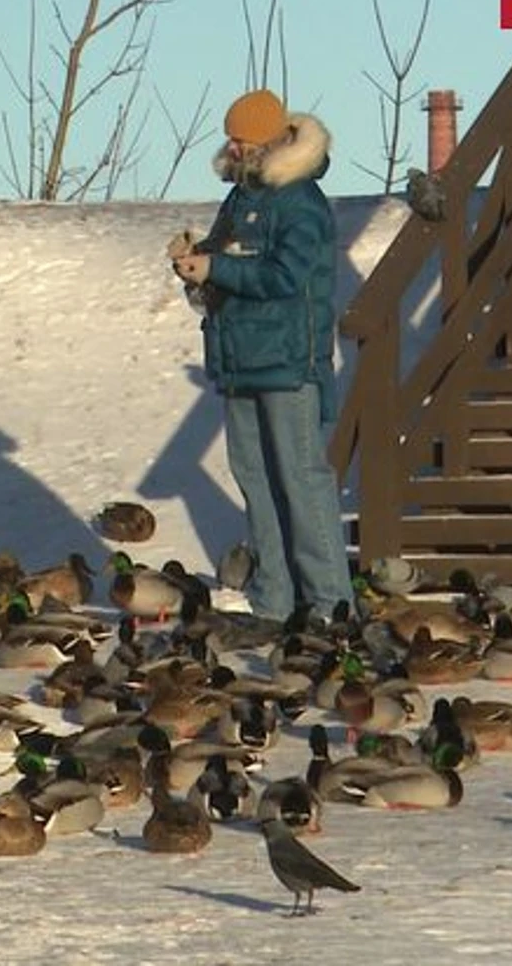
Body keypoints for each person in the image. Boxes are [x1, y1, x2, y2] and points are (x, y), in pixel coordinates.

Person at [169, 88, 354, 622]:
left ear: (269, 139)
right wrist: (195, 264)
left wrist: (218, 270)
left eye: (241, 138)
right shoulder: (241, 199)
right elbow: (227, 262)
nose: (232, 147)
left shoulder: (301, 203)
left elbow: (285, 278)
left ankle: (331, 605)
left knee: (301, 478)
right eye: (230, 138)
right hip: (240, 360)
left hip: (290, 362)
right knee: (255, 476)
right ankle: (274, 600)